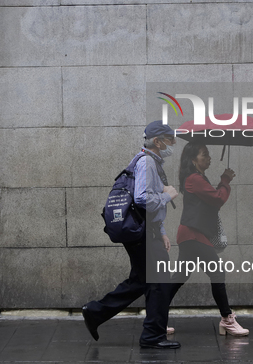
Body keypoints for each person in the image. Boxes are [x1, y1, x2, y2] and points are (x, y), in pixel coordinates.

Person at [82, 120, 181, 349]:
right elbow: (142, 199)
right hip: (143, 233)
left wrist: (162, 231)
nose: (173, 144)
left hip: (147, 231)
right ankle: (152, 336)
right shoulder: (147, 162)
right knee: (159, 282)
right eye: (170, 140)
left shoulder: (147, 160)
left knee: (141, 281)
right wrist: (169, 195)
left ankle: (95, 312)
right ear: (157, 141)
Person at [169, 143, 249, 336]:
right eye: (204, 155)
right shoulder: (194, 179)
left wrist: (223, 182)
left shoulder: (197, 178)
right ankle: (227, 319)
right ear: (193, 159)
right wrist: (225, 180)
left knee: (179, 278)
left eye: (208, 154)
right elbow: (217, 198)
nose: (209, 158)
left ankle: (155, 316)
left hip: (192, 234)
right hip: (193, 234)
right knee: (217, 272)